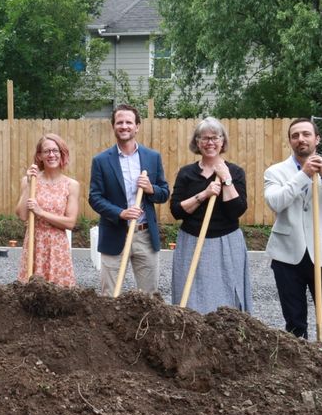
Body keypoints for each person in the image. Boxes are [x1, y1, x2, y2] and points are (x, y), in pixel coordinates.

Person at [169, 117, 252, 314]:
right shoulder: (186, 173)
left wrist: (227, 179)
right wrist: (204, 194)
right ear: (197, 142)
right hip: (192, 241)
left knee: (227, 295)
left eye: (215, 137)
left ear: (223, 141)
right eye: (204, 138)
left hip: (226, 242)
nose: (210, 142)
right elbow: (176, 211)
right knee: (190, 294)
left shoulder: (235, 172)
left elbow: (237, 210)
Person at [89, 103, 170, 296]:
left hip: (144, 235)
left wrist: (151, 189)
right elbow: (95, 197)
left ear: (137, 126)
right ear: (113, 126)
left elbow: (164, 193)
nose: (124, 126)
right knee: (110, 295)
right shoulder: (101, 160)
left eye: (128, 122)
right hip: (114, 233)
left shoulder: (152, 157)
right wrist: (121, 213)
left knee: (148, 296)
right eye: (119, 122)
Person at [264, 118, 322, 338]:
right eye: (295, 135)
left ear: (317, 139)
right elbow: (276, 202)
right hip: (287, 255)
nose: (301, 139)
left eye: (306, 134)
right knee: (294, 321)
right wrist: (303, 175)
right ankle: (298, 358)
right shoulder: (275, 172)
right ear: (290, 141)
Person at [15, 134, 79, 286]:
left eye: (55, 151)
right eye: (47, 151)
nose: (51, 155)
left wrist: (41, 212)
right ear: (39, 156)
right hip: (34, 243)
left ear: (61, 154)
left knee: (59, 293)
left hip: (57, 247)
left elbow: (70, 223)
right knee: (31, 292)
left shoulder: (71, 185)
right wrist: (29, 184)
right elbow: (22, 215)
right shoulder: (30, 180)